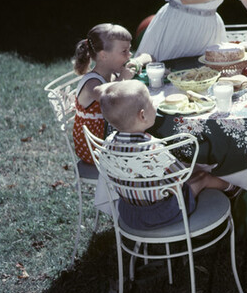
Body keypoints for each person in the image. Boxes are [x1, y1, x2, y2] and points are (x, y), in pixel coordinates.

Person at [95, 80, 239, 229]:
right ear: (142, 116)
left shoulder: (108, 143)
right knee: (202, 177)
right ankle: (233, 189)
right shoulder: (154, 149)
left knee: (190, 174)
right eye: (151, 102)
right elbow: (181, 179)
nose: (155, 106)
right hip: (162, 213)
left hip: (128, 211)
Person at [71, 23, 153, 165]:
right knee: (149, 135)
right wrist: (124, 78)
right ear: (103, 55)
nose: (130, 54)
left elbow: (148, 57)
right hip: (95, 148)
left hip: (113, 138)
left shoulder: (114, 72)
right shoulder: (91, 84)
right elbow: (109, 95)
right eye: (124, 51)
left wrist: (136, 62)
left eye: (129, 49)